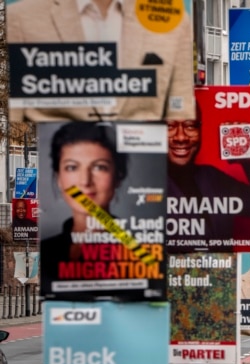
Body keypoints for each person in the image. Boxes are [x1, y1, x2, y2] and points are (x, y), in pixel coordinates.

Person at [7, 0, 195, 122]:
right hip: (58, 171)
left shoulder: (173, 21)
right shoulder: (20, 18)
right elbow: (13, 118)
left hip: (142, 171)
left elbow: (180, 114)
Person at [40, 122, 128, 284]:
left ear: (118, 176)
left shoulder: (145, 252)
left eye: (99, 167)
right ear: (59, 178)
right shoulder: (39, 254)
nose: (85, 181)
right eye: (72, 167)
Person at [167, 113, 250, 253]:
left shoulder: (213, 177)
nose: (181, 137)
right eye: (169, 126)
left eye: (190, 126)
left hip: (219, 272)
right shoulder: (138, 184)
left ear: (200, 130)